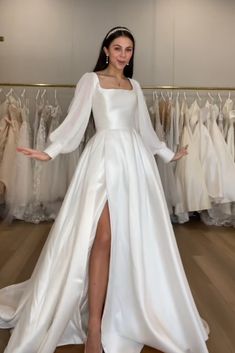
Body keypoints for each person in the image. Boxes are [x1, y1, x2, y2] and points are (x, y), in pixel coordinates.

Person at [0, 26, 210, 353]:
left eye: (128, 50)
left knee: (127, 239)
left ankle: (121, 310)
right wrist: (50, 151)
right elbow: (75, 121)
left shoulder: (134, 85)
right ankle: (95, 327)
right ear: (106, 50)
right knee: (103, 236)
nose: (123, 55)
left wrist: (169, 154)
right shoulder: (91, 80)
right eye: (118, 48)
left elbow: (143, 129)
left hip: (134, 164)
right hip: (102, 161)